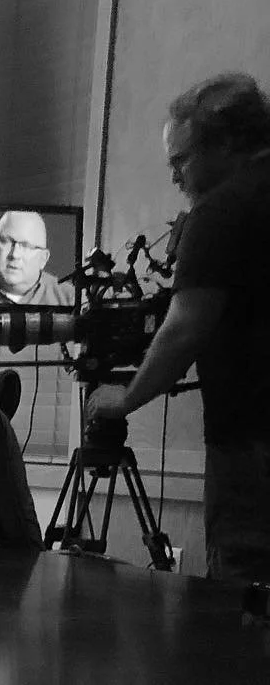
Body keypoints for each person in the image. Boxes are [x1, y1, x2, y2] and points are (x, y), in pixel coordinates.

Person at [87, 72, 270, 584]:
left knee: (241, 600)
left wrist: (125, 399)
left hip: (250, 446)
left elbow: (185, 328)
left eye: (181, 161)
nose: (175, 177)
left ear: (226, 144)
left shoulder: (221, 210)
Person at [0, 210, 75, 306]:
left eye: (26, 246)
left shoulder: (72, 299)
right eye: (7, 242)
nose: (14, 254)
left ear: (43, 259)